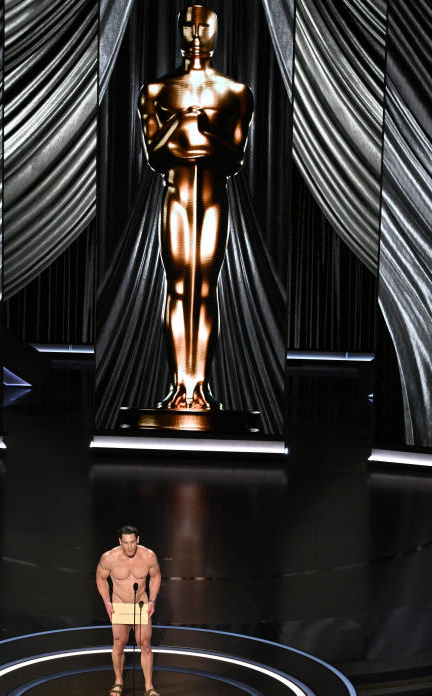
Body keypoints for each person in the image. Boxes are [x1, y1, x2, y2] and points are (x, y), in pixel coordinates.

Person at [138, 5, 254, 412]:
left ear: (216, 31)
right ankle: (178, 387)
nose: (195, 32)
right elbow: (154, 156)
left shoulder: (235, 93)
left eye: (204, 25)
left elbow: (234, 159)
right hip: (176, 196)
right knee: (177, 289)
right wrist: (180, 124)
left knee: (204, 290)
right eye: (188, 24)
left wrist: (199, 132)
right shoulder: (156, 92)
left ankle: (199, 386)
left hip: (211, 198)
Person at [96, 524, 163, 696]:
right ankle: (118, 682)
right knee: (119, 643)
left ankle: (149, 687)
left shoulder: (148, 556)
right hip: (119, 603)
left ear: (138, 540)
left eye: (132, 542)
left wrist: (153, 601)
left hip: (141, 603)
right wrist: (107, 602)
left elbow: (156, 576)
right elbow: (100, 578)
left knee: (145, 643)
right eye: (125, 543)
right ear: (120, 542)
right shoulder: (109, 558)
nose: (129, 547)